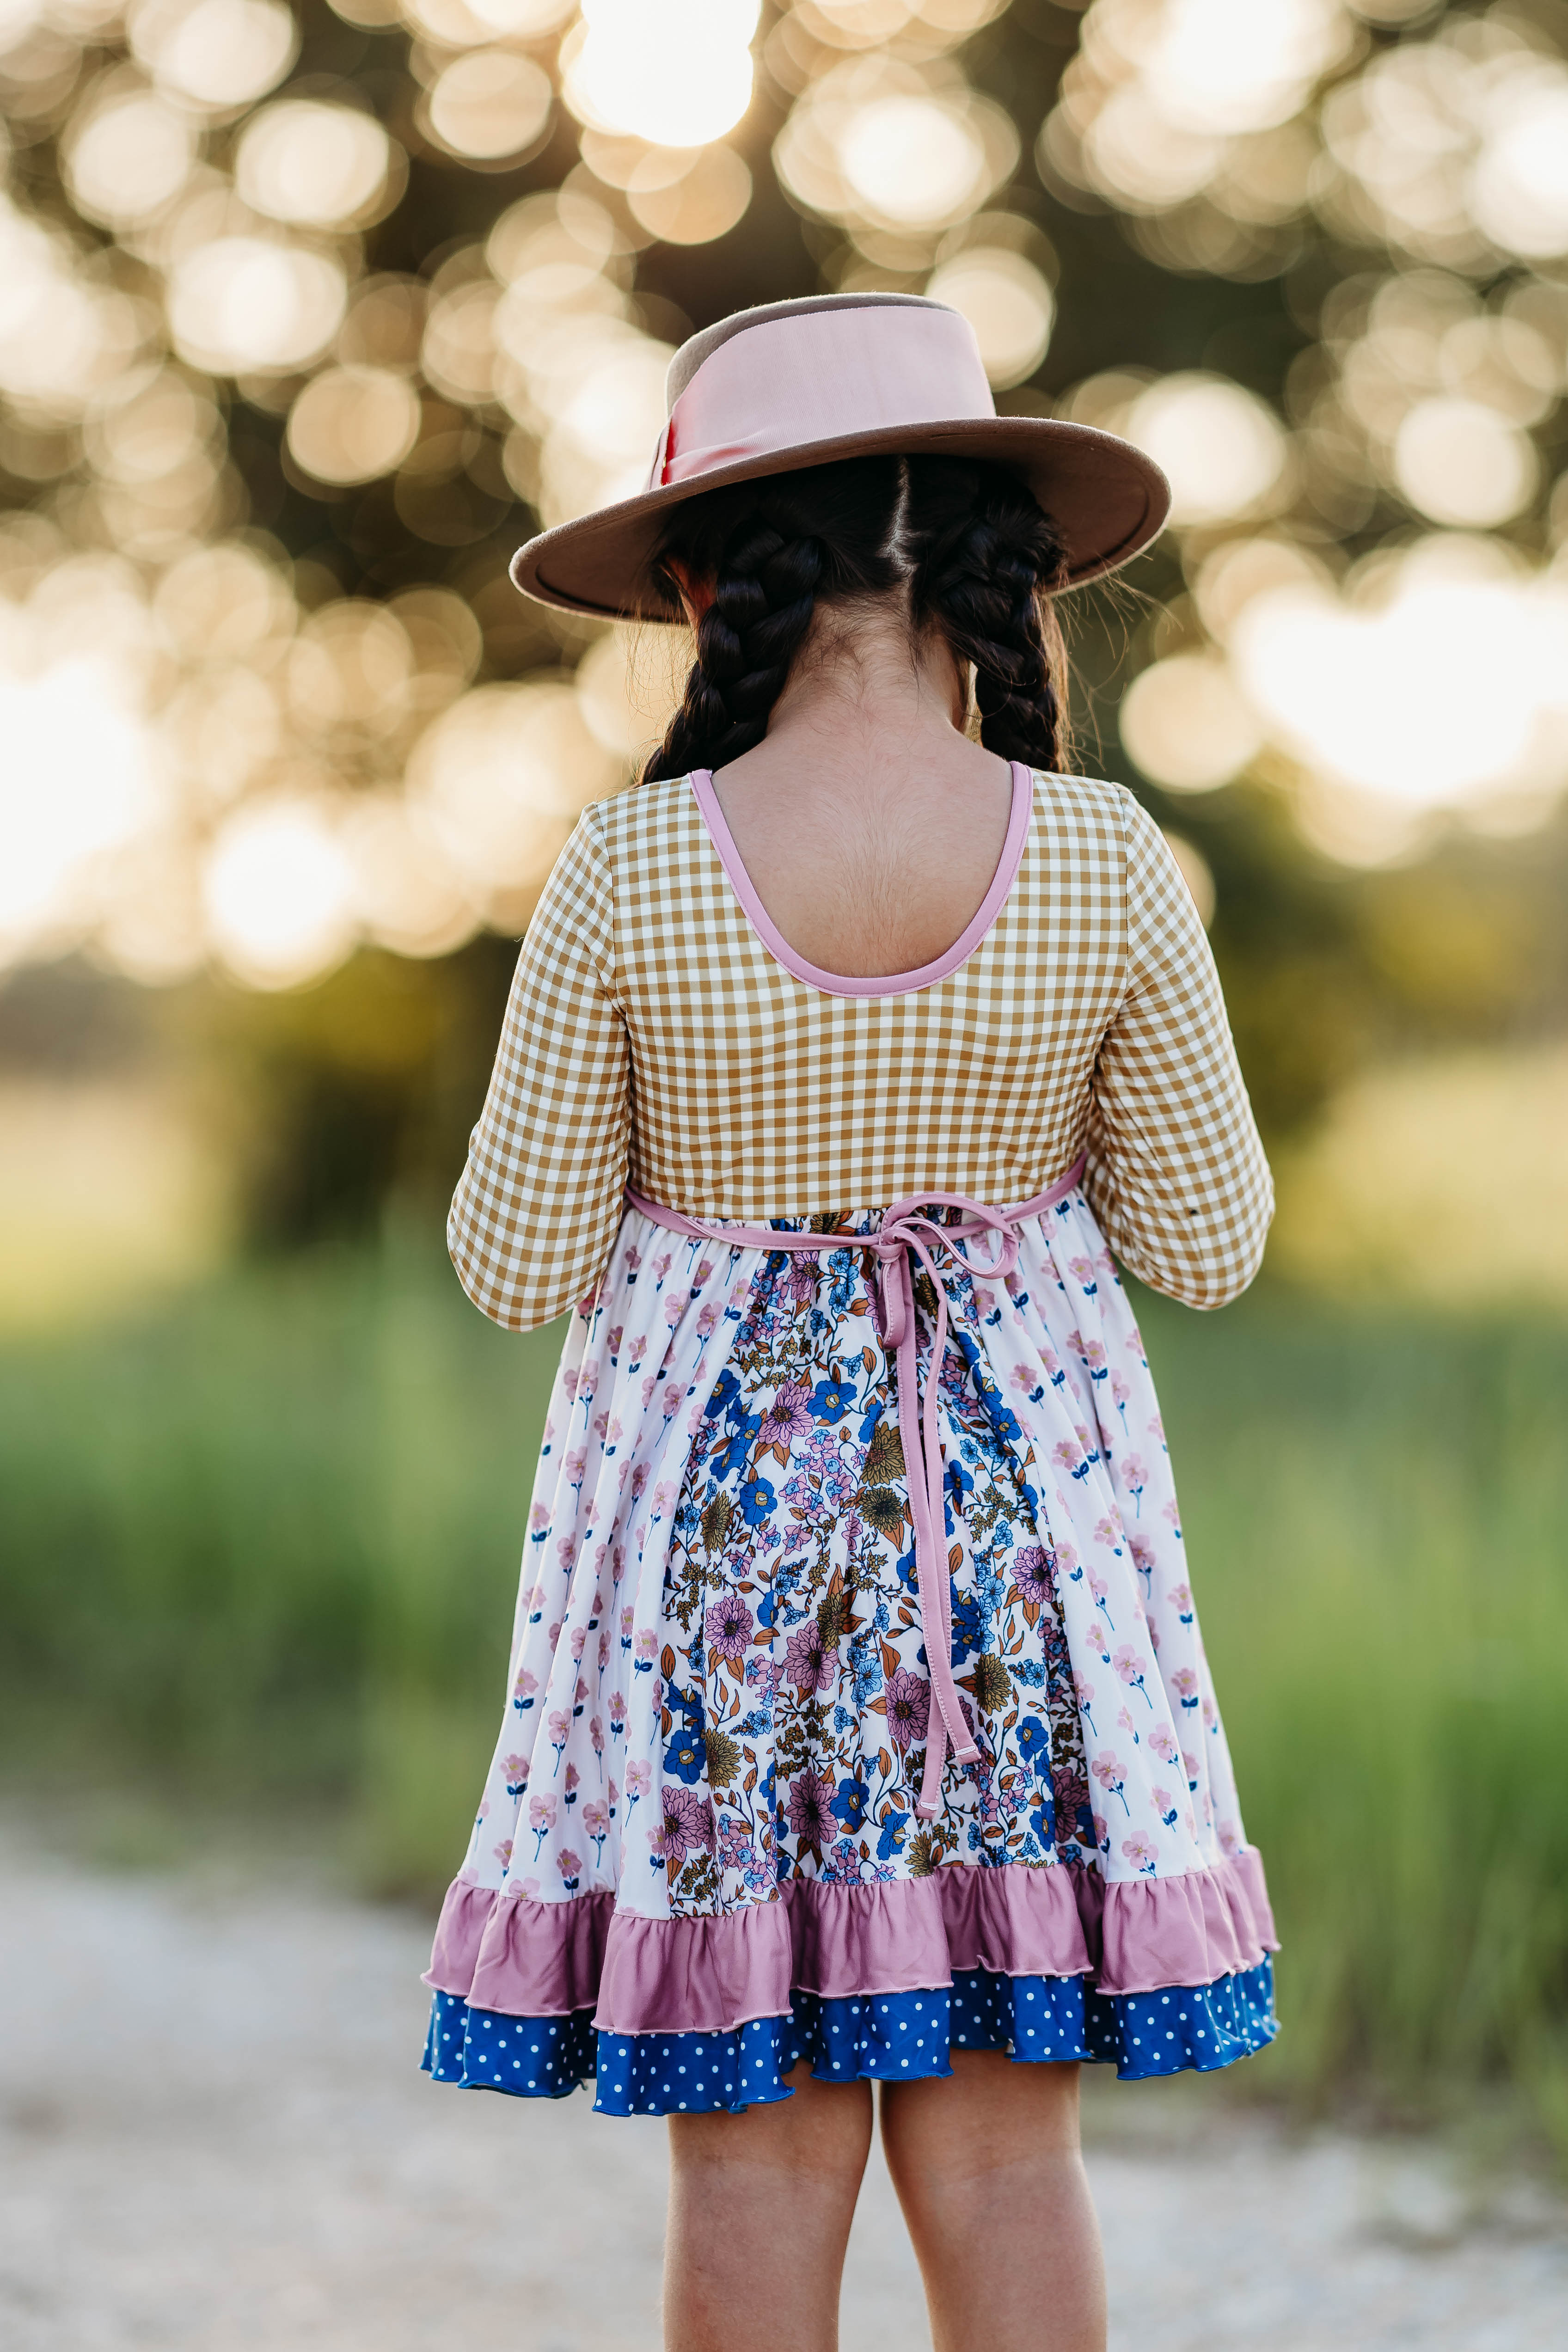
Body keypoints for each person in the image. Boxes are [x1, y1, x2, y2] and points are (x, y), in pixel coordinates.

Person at [421, 293, 1278, 2352]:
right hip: (1012, 1569)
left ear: (709, 579)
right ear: (985, 553)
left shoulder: (632, 868)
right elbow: (1211, 1238)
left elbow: (513, 1263)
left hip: (724, 1566)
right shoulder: (1100, 861)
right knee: (1001, 2160)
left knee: (749, 2170)